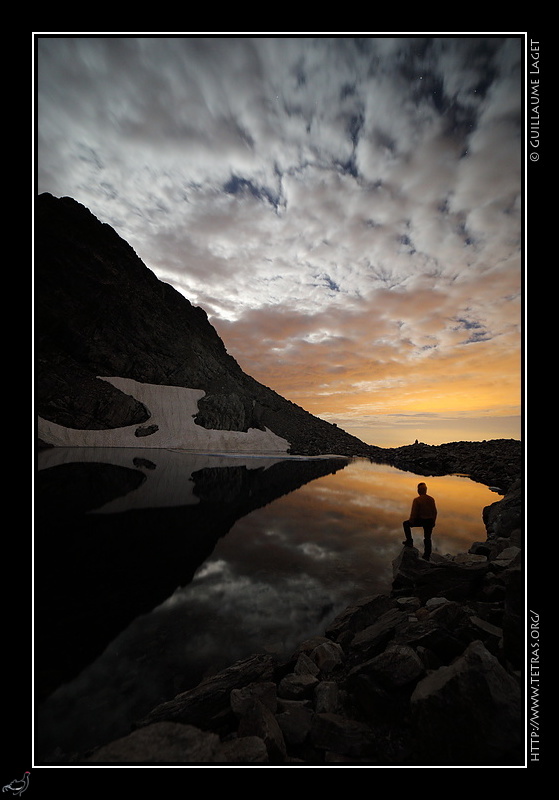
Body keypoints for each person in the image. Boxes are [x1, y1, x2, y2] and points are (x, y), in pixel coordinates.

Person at [402, 482, 437, 560]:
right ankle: (427, 555)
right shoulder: (431, 499)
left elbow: (414, 513)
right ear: (425, 490)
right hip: (430, 521)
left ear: (419, 490)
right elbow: (434, 512)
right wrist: (434, 522)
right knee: (427, 538)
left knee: (405, 524)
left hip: (422, 520)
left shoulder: (417, 500)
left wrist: (411, 521)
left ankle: (409, 541)